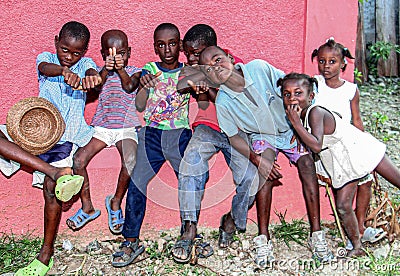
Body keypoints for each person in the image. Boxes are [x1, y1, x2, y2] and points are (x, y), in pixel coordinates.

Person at [196, 46, 334, 267]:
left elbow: (292, 88)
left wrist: (301, 127)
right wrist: (256, 159)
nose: (216, 67)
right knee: (265, 171)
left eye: (218, 60)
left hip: (290, 129)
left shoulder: (259, 69)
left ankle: (316, 234)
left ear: (231, 58)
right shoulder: (223, 102)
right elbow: (234, 138)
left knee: (307, 163)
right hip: (263, 136)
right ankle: (263, 238)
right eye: (209, 68)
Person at [15, 21, 101, 275]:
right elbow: (45, 67)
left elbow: (92, 77)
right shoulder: (48, 59)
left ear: (84, 52)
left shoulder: (85, 65)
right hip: (38, 135)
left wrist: (90, 80)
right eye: (65, 49)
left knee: (51, 192)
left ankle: (46, 254)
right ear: (56, 42)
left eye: (76, 53)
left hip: (68, 141)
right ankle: (54, 172)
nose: (70, 56)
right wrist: (63, 71)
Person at [281, 72, 400, 256]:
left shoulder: (315, 112)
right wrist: (298, 130)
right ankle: (357, 246)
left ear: (311, 96)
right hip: (344, 161)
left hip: (359, 149)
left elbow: (317, 145)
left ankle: (357, 244)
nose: (292, 99)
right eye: (286, 94)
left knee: (397, 180)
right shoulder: (303, 116)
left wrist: (296, 125)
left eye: (298, 93)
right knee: (343, 206)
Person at [172, 24, 258, 263]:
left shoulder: (233, 61)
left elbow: (233, 96)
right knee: (190, 165)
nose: (189, 58)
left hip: (237, 133)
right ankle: (188, 228)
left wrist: (208, 85)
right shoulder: (191, 67)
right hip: (207, 128)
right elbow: (181, 85)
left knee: (252, 179)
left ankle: (230, 221)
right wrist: (196, 80)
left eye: (195, 53)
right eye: (186, 52)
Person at [111, 23, 192, 268]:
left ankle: (188, 236)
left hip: (180, 134)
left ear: (179, 45)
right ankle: (131, 240)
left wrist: (197, 86)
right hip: (152, 134)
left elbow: (203, 91)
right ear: (155, 47)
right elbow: (136, 97)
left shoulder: (189, 71)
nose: (167, 49)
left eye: (172, 43)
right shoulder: (149, 70)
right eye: (161, 44)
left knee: (189, 181)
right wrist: (142, 84)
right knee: (137, 182)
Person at [311, 38, 386, 248]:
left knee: (366, 178)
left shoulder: (351, 89)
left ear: (343, 63)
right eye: (322, 61)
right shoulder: (314, 84)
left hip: (350, 143)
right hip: (328, 149)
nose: (326, 66)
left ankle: (360, 226)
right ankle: (354, 231)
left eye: (332, 61)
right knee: (344, 184)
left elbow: (357, 120)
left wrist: (363, 147)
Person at [70, 30, 142, 234]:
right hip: (102, 127)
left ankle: (115, 202)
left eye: (121, 53)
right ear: (103, 55)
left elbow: (129, 87)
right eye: (111, 55)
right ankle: (87, 207)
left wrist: (119, 70)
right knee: (78, 160)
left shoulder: (136, 71)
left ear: (129, 52)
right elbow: (95, 89)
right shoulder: (100, 73)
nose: (117, 58)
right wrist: (105, 69)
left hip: (126, 127)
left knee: (130, 160)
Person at [0, 130, 83, 201]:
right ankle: (54, 172)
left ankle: (55, 172)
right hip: (26, 128)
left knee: (51, 184)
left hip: (59, 134)